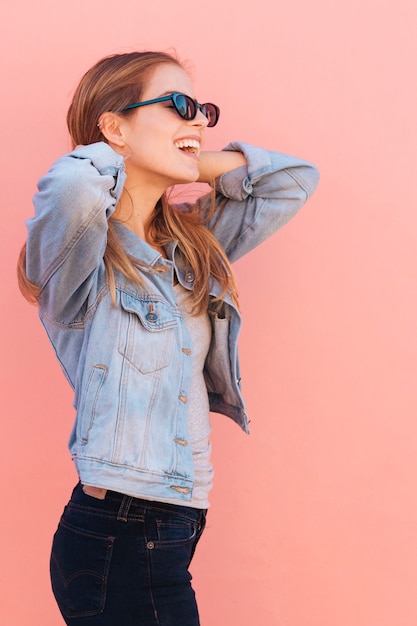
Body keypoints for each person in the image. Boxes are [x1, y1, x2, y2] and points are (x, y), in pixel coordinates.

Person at [18, 51, 319, 625]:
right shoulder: (81, 259)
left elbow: (293, 180)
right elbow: (75, 187)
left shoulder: (193, 248)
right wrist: (128, 155)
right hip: (121, 530)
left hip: (169, 524)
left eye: (203, 109)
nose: (200, 122)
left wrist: (187, 158)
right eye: (180, 106)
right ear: (113, 126)